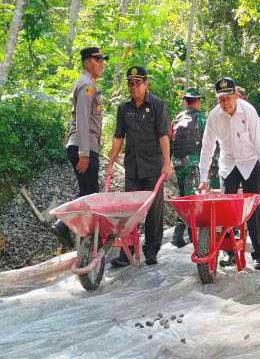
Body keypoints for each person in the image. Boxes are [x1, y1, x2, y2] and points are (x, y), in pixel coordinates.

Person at [198, 77, 260, 270]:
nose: (225, 103)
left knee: (254, 209)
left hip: (250, 161)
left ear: (236, 96)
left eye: (228, 98)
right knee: (226, 210)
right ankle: (228, 252)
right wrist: (203, 179)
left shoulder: (249, 112)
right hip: (229, 163)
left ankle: (259, 256)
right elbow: (207, 148)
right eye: (221, 99)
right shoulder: (214, 116)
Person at [105, 66, 174, 267]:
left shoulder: (157, 105)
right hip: (133, 167)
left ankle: (151, 250)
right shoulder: (123, 108)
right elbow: (118, 137)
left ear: (146, 84)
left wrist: (167, 163)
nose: (134, 87)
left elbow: (163, 136)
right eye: (130, 83)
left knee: (154, 210)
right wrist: (110, 164)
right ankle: (128, 252)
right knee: (129, 211)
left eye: (138, 82)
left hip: (153, 166)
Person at [52, 47, 107, 248]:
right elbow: (83, 120)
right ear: (86, 62)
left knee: (89, 192)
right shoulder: (87, 86)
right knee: (90, 194)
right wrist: (84, 153)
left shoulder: (90, 85)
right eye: (97, 60)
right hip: (83, 146)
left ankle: (87, 238)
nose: (101, 63)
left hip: (86, 145)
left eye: (102, 60)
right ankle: (64, 225)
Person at [169, 87, 206, 248]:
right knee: (193, 200)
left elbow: (171, 139)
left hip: (178, 163)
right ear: (197, 101)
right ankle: (192, 236)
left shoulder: (177, 118)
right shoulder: (202, 118)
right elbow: (209, 142)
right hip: (193, 163)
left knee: (183, 197)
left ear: (186, 101)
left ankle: (178, 235)